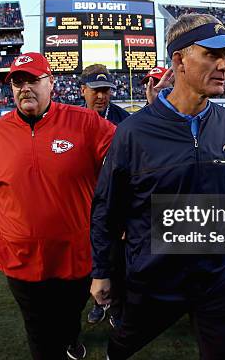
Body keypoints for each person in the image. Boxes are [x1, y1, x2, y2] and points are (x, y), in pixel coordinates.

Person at [90, 14, 225, 360]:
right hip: (154, 281)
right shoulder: (133, 133)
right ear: (179, 60)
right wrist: (102, 271)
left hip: (214, 277)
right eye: (212, 54)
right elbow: (106, 209)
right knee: (121, 348)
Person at [0, 52, 116, 360]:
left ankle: (70, 337)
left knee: (68, 316)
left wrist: (158, 105)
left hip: (74, 255)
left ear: (51, 83)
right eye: (18, 82)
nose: (25, 88)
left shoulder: (85, 122)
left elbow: (129, 152)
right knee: (37, 329)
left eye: (33, 80)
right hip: (19, 256)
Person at [80, 64, 129, 328]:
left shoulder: (124, 120)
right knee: (91, 257)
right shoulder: (71, 120)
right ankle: (99, 303)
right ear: (83, 90)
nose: (101, 96)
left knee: (118, 258)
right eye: (96, 91)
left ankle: (118, 304)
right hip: (84, 202)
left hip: (115, 202)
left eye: (106, 91)